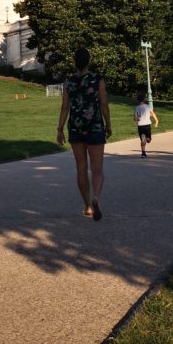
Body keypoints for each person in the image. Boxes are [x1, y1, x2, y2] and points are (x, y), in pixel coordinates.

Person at [56, 48, 111, 221]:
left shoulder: (69, 82)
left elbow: (65, 107)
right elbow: (103, 104)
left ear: (75, 62)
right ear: (88, 61)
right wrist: (108, 124)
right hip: (94, 126)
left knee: (81, 168)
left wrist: (60, 129)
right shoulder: (97, 80)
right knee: (97, 168)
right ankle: (96, 197)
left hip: (75, 128)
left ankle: (87, 206)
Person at [134, 92, 159, 157]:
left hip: (140, 125)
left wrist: (136, 120)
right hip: (147, 125)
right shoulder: (148, 106)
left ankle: (143, 153)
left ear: (137, 100)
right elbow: (153, 113)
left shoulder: (136, 108)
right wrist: (156, 121)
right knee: (149, 140)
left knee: (143, 139)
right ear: (144, 99)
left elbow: (135, 118)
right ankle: (146, 139)